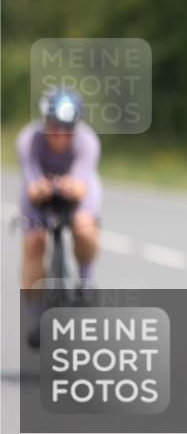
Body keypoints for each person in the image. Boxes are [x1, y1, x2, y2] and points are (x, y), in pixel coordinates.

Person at [18, 87, 102, 348]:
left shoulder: (87, 141)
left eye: (68, 128)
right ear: (45, 122)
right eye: (55, 126)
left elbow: (80, 186)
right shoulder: (28, 139)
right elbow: (32, 185)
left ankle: (85, 282)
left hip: (77, 194)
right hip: (39, 196)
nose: (61, 134)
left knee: (84, 228)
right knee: (33, 242)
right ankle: (35, 316)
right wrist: (43, 188)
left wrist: (65, 186)